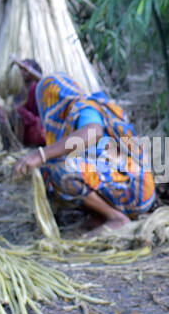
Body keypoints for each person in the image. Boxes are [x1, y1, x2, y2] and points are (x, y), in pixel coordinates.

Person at [10, 65, 156, 232]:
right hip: (118, 187)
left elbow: (93, 132)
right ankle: (100, 214)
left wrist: (41, 154)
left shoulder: (84, 107)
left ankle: (116, 218)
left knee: (58, 169)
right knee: (47, 172)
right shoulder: (69, 121)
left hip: (134, 190)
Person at [0, 57, 46, 151]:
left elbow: (43, 80)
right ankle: (10, 142)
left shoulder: (38, 86)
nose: (22, 71)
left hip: (36, 129)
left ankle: (18, 148)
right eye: (20, 69)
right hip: (19, 128)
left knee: (18, 111)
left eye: (24, 68)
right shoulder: (17, 87)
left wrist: (26, 68)